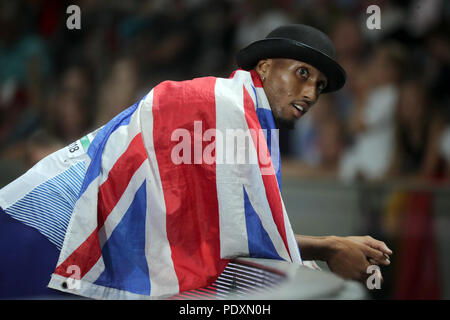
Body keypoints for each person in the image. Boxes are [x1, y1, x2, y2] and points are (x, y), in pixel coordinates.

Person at [0, 24, 391, 299]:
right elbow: (245, 236)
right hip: (49, 225)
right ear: (265, 68)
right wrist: (329, 247)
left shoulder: (245, 116)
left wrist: (330, 245)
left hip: (66, 229)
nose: (310, 93)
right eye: (302, 73)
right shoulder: (227, 106)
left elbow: (220, 231)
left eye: (319, 86)